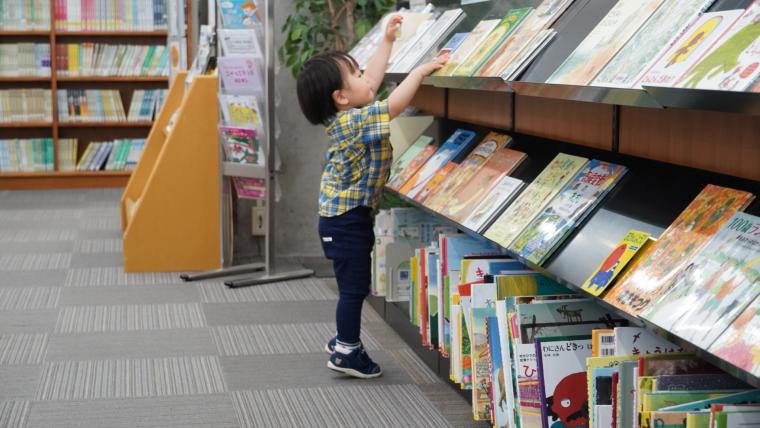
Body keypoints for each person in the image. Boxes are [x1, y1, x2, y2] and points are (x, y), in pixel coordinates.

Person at [296, 14, 448, 379]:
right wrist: (419, 72)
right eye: (358, 75)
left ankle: (342, 339)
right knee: (354, 289)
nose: (368, 78)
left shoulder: (350, 113)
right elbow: (392, 105)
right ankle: (347, 350)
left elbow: (375, 80)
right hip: (346, 221)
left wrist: (387, 41)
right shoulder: (353, 122)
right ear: (341, 97)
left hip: (345, 217)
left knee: (352, 285)